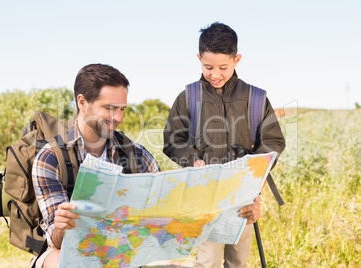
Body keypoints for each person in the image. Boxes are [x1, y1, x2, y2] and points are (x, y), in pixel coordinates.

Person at [163, 22, 286, 267]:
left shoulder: (256, 97)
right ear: (198, 58)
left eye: (223, 67)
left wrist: (252, 170)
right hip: (206, 196)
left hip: (243, 196)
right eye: (208, 67)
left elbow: (273, 141)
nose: (215, 74)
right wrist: (191, 159)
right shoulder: (189, 97)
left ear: (237, 59)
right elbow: (172, 139)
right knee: (207, 259)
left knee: (238, 259)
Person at [31, 64, 160, 268]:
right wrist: (63, 227)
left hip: (120, 250)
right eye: (109, 108)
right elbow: (56, 241)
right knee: (57, 261)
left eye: (121, 109)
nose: (118, 117)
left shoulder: (138, 155)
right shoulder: (50, 158)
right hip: (68, 250)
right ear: (83, 103)